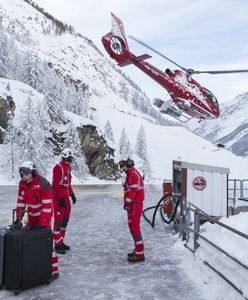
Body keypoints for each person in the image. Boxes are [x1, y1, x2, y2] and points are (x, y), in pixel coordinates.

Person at [15, 161, 59, 280]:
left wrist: (42, 224)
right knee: (31, 243)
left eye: (26, 174)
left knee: (47, 242)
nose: (24, 177)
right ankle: (36, 267)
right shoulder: (22, 184)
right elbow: (21, 202)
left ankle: (54, 269)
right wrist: (18, 218)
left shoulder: (44, 184)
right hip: (31, 218)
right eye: (22, 175)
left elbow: (47, 206)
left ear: (33, 172)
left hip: (43, 218)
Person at [119, 158, 145, 263]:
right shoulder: (131, 174)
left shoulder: (133, 174)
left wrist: (127, 203)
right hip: (133, 205)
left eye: (123, 166)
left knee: (134, 227)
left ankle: (140, 253)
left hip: (135, 204)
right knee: (132, 227)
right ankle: (137, 250)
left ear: (128, 165)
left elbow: (133, 191)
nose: (122, 169)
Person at [52, 148, 77, 254]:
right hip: (59, 199)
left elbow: (67, 184)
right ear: (65, 156)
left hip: (65, 198)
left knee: (64, 222)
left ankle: (61, 242)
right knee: (58, 222)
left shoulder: (67, 168)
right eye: (70, 157)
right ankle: (57, 245)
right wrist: (60, 198)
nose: (72, 160)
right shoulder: (58, 168)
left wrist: (72, 194)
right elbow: (56, 185)